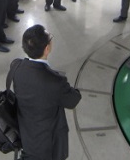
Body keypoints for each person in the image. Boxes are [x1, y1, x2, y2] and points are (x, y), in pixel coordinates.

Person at [10, 25, 81, 160]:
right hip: (47, 144)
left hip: (24, 133)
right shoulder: (55, 82)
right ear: (47, 49)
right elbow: (73, 100)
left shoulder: (16, 67)